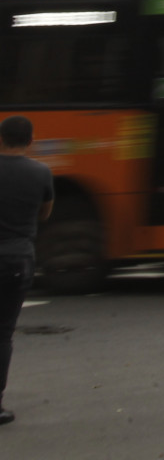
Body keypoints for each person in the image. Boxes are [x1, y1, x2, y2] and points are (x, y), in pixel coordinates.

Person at [0, 116, 55, 427]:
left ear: (0, 138)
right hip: (18, 259)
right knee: (3, 333)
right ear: (31, 140)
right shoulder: (41, 172)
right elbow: (45, 212)